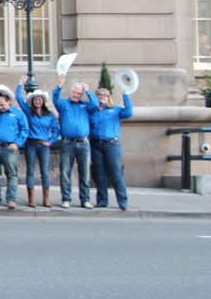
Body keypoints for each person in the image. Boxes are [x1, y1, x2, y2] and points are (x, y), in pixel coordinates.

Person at [53, 74, 99, 209]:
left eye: (79, 93)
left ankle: (85, 200)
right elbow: (55, 98)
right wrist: (59, 85)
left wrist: (88, 91)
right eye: (74, 92)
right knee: (65, 172)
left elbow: (96, 105)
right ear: (70, 92)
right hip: (68, 143)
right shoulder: (63, 104)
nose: (76, 95)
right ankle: (66, 198)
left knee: (84, 173)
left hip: (84, 143)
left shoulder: (85, 105)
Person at [15, 76, 59, 208]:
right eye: (35, 99)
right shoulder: (28, 112)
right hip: (31, 144)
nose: (38, 101)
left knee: (45, 171)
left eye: (40, 99)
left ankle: (46, 198)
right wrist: (20, 85)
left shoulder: (49, 115)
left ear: (43, 101)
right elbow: (19, 99)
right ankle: (31, 198)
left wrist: (50, 141)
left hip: (44, 144)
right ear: (33, 101)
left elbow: (56, 130)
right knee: (31, 171)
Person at [89, 87, 133, 210]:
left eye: (105, 95)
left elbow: (128, 112)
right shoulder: (93, 111)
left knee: (115, 173)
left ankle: (122, 201)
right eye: (99, 95)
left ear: (109, 97)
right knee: (99, 174)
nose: (102, 97)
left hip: (112, 145)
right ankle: (102, 200)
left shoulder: (115, 109)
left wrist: (126, 96)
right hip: (96, 144)